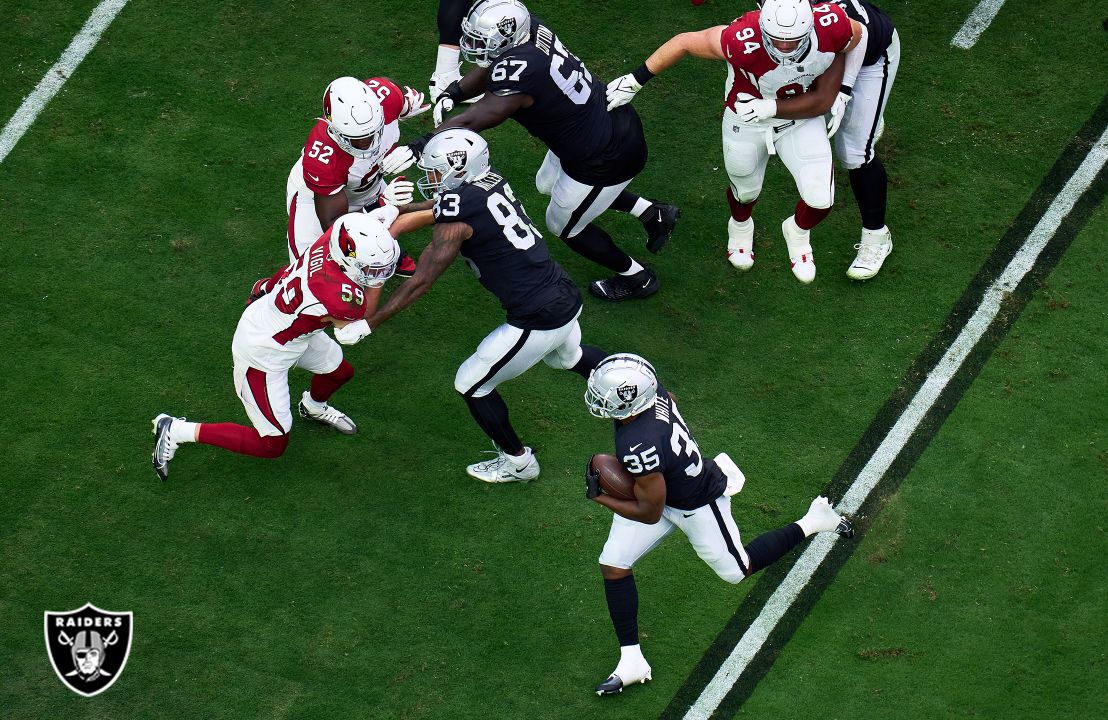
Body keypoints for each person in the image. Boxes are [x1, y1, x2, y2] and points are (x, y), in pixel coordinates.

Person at [335, 129, 607, 483]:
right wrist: (394, 212)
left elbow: (423, 279)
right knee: (567, 358)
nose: (429, 181)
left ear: (457, 170)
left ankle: (519, 463)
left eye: (434, 174)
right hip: (561, 292)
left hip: (538, 315)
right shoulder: (489, 182)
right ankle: (648, 391)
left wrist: (371, 323)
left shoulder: (457, 219)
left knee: (471, 383)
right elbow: (446, 206)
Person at [582, 353, 853, 694]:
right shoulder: (654, 395)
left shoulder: (637, 444)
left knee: (737, 569)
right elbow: (668, 416)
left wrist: (601, 497)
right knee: (614, 564)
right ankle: (632, 659)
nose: (599, 401)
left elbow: (650, 511)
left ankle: (816, 520)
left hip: (696, 502)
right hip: (662, 488)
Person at [417, 0, 681, 302]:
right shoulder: (528, 28)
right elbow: (494, 67)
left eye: (482, 40)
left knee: (563, 225)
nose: (474, 46)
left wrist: (422, 143)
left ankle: (637, 277)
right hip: (594, 124)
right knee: (547, 185)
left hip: (604, 155)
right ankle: (653, 213)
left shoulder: (522, 67)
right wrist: (457, 90)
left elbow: (481, 115)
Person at [606, 0, 867, 283]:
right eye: (777, 39)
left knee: (820, 200)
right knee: (745, 191)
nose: (784, 47)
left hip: (800, 118)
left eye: (792, 41)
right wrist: (636, 79)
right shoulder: (742, 39)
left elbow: (858, 35)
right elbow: (685, 42)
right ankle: (740, 224)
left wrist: (844, 87)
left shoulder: (831, 24)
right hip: (746, 120)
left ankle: (798, 232)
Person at [151, 211, 404, 481]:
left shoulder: (333, 236)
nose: (379, 275)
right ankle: (176, 429)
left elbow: (355, 232)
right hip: (264, 354)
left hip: (288, 327)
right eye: (372, 269)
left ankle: (313, 407)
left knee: (339, 372)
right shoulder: (341, 298)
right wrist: (367, 321)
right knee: (272, 444)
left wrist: (381, 218)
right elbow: (353, 325)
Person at [284, 76, 427, 268]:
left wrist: (408, 118)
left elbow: (400, 104)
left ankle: (386, 250)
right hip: (317, 197)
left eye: (372, 133)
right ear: (334, 128)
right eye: (357, 138)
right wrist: (380, 204)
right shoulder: (323, 158)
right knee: (307, 265)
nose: (367, 143)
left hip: (367, 184)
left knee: (385, 217)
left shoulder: (388, 97)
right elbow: (334, 224)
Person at [823, 0, 900, 279]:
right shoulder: (776, 14)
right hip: (829, 50)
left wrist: (843, 90)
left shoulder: (832, 14)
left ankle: (877, 237)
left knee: (854, 153)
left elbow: (860, 37)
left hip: (871, 55)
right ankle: (866, 120)